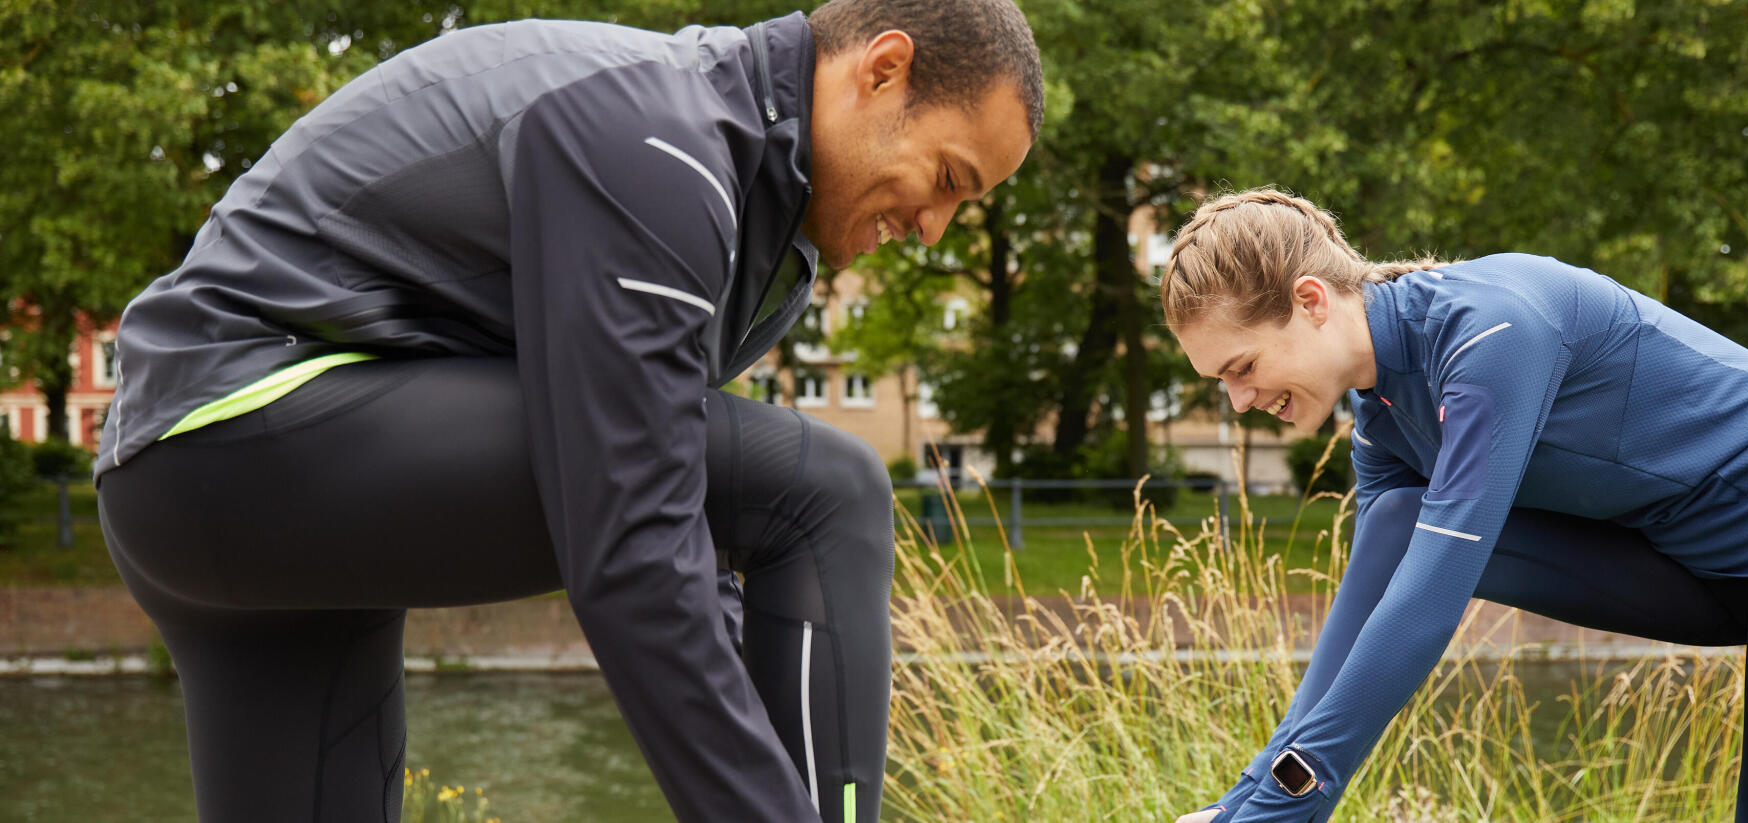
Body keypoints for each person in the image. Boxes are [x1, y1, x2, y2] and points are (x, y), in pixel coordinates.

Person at [93, 2, 1042, 821]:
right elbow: (636, 542)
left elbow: (683, 526)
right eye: (950, 180)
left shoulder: (756, 230)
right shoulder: (665, 139)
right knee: (826, 489)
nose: (933, 227)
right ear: (883, 70)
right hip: (247, 423)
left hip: (207, 492)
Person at [1160, 189, 1748, 823]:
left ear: (1311, 300)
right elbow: (1373, 603)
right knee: (1392, 523)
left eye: (1243, 366)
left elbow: (1430, 596)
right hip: (1694, 567)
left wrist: (1290, 803)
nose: (1239, 400)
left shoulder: (1489, 330)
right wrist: (1249, 794)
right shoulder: (1384, 419)